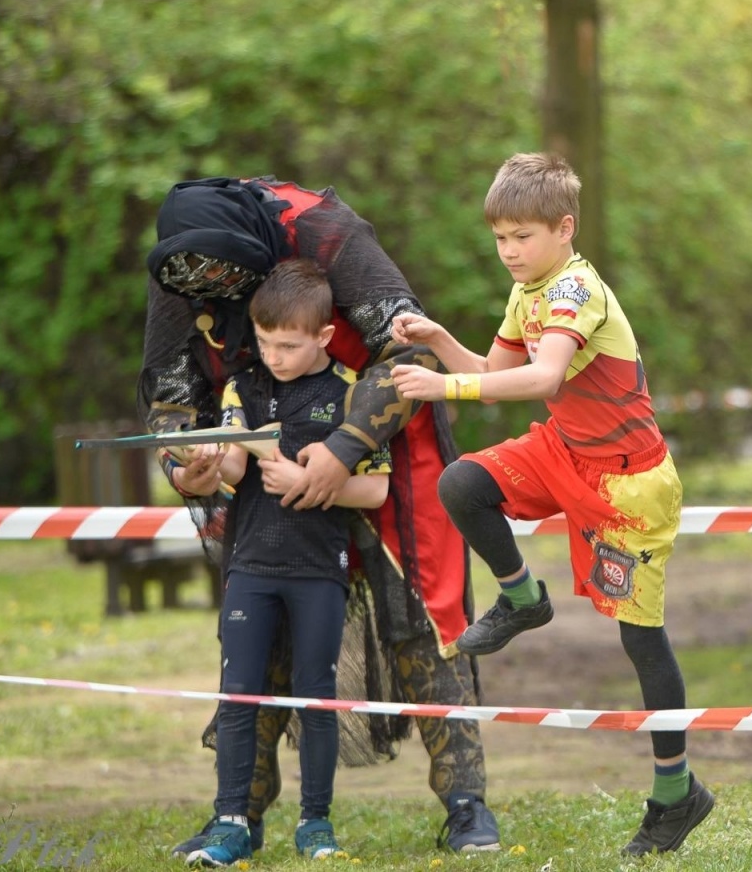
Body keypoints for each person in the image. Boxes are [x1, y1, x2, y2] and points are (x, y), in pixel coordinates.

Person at [137, 176, 501, 855]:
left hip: (385, 432)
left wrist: (345, 449)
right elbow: (172, 398)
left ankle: (466, 804)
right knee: (261, 618)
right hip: (262, 438)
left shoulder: (328, 234)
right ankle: (239, 815)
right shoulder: (178, 265)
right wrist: (185, 465)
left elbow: (413, 348)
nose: (217, 296)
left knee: (418, 610)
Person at [389, 153, 716, 857]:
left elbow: (543, 377)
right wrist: (438, 340)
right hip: (563, 450)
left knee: (641, 638)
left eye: (522, 237)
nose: (509, 251)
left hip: (629, 483)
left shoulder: (574, 289)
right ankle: (521, 598)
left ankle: (676, 793)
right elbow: (492, 373)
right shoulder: (527, 290)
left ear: (564, 229)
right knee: (463, 483)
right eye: (499, 238)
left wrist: (441, 388)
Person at [177, 260, 392, 866]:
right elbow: (233, 468)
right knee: (237, 696)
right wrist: (207, 460)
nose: (274, 356)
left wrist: (310, 483)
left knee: (315, 698)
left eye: (289, 346)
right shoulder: (241, 388)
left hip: (319, 571)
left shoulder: (352, 391)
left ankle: (315, 824)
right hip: (250, 568)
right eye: (265, 342)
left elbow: (376, 490)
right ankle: (230, 824)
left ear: (324, 336)